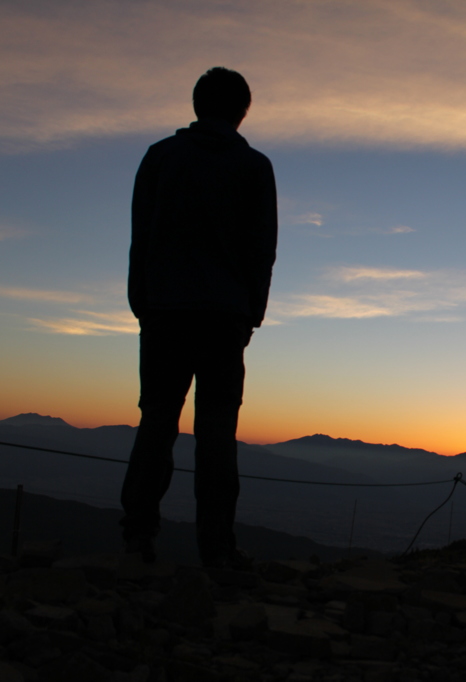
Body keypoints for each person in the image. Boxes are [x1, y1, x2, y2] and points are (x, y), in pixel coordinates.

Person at [120, 67, 278, 568]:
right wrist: (250, 312)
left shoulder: (161, 158)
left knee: (157, 423)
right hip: (224, 317)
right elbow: (262, 250)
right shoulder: (254, 167)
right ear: (242, 111)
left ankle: (137, 539)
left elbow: (140, 236)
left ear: (196, 105)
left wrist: (142, 302)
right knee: (216, 433)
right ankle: (217, 548)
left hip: (165, 312)